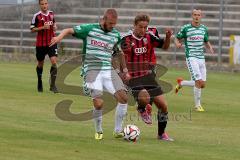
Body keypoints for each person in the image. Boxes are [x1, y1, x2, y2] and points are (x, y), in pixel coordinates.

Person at [49, 9, 128, 140]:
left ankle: (118, 130)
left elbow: (117, 52)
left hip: (107, 70)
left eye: (114, 24)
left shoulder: (115, 35)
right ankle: (99, 130)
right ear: (104, 20)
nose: (112, 26)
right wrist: (58, 37)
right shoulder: (89, 29)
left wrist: (122, 70)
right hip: (91, 70)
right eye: (110, 23)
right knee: (99, 104)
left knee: (124, 98)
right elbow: (69, 30)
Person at [120, 13, 174, 141]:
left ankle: (161, 134)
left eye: (145, 27)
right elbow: (118, 56)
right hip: (133, 77)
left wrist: (167, 37)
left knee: (163, 106)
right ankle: (142, 108)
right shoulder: (126, 39)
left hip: (148, 76)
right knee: (145, 97)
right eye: (140, 27)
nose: (143, 30)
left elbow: (165, 47)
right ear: (134, 25)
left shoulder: (149, 36)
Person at [175, 9, 214, 112]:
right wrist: (177, 43)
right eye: (195, 15)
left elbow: (206, 40)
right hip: (191, 58)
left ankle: (181, 83)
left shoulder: (203, 28)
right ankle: (197, 105)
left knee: (203, 84)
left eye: (199, 15)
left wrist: (209, 47)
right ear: (192, 16)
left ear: (201, 16)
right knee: (198, 81)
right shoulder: (186, 28)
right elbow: (176, 37)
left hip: (201, 58)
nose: (197, 17)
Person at [30, 0, 58, 93]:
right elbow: (32, 29)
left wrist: (55, 26)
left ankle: (52, 85)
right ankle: (39, 81)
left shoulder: (51, 13)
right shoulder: (36, 16)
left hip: (51, 42)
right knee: (40, 64)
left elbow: (54, 23)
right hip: (40, 44)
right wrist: (42, 27)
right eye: (42, 4)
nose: (44, 5)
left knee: (54, 62)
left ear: (48, 4)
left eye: (46, 3)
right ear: (40, 5)